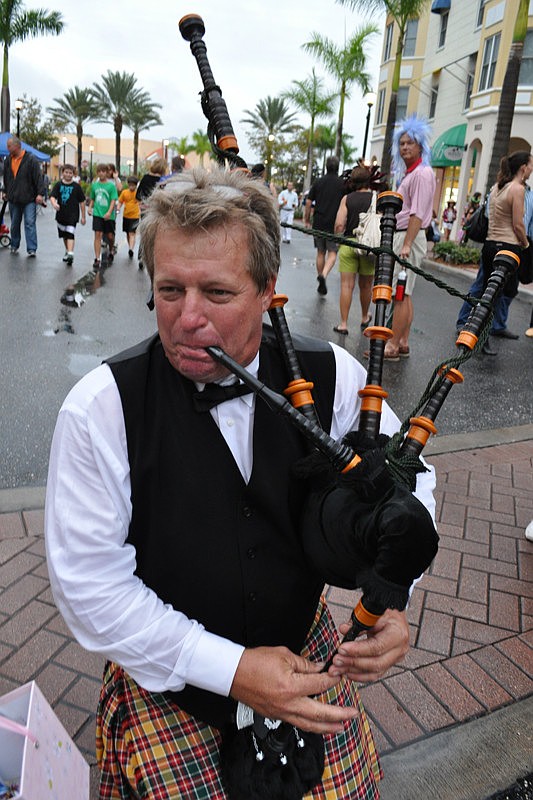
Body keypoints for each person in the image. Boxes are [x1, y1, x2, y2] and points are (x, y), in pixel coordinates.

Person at [45, 167, 437, 800]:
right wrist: (230, 670)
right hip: (170, 673)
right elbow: (90, 586)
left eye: (218, 293)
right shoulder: (100, 408)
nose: (188, 318)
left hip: (302, 647)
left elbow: (405, 488)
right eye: (170, 289)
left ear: (268, 289)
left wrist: (394, 594)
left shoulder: (331, 376)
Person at [455, 151, 533, 350]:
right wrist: (526, 245)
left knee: (486, 291)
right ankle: (482, 338)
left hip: (490, 245)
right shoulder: (517, 189)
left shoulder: (497, 187)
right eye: (531, 165)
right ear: (523, 167)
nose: (532, 169)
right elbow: (518, 224)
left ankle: (474, 331)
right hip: (507, 247)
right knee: (494, 296)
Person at [384, 116, 436, 361]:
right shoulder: (412, 173)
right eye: (402, 143)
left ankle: (393, 344)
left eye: (410, 143)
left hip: (408, 237)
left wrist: (405, 244)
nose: (405, 147)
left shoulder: (423, 174)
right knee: (406, 292)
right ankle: (402, 341)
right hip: (406, 236)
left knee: (400, 293)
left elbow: (418, 212)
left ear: (420, 146)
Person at [332, 165, 375, 335]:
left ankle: (343, 324)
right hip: (368, 246)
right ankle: (365, 317)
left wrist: (339, 234)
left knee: (346, 285)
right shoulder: (375, 198)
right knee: (366, 286)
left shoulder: (347, 199)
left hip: (349, 244)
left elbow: (339, 225)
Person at [304, 155, 346, 296]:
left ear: (327, 166)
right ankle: (324, 275)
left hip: (319, 221)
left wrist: (306, 219)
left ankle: (320, 276)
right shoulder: (342, 184)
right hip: (334, 223)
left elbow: (309, 202)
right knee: (333, 253)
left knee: (320, 252)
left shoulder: (318, 182)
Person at [2, 135, 45, 256]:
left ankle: (32, 248)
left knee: (29, 222)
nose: (8, 148)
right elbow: (7, 178)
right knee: (15, 223)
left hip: (29, 198)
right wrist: (5, 191)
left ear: (17, 146)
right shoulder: (8, 160)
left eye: (9, 146)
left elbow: (38, 178)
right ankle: (14, 245)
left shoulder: (31, 159)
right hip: (14, 198)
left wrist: (40, 194)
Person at [49, 164, 86, 265]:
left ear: (73, 175)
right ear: (63, 173)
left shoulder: (77, 187)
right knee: (64, 235)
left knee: (70, 233)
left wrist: (83, 217)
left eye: (70, 173)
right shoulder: (58, 185)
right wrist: (54, 203)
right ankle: (67, 250)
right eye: (66, 172)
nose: (68, 175)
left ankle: (70, 253)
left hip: (73, 215)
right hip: (61, 215)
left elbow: (82, 202)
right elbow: (52, 196)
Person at [135, 157, 168, 270]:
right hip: (156, 210)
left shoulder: (145, 178)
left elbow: (138, 195)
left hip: (144, 210)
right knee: (154, 235)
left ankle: (141, 256)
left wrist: (142, 204)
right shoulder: (163, 181)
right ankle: (150, 259)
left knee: (144, 233)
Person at [88, 163, 119, 268]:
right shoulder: (95, 185)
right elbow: (93, 198)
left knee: (110, 236)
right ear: (97, 173)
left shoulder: (111, 186)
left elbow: (113, 200)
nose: (101, 173)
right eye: (99, 171)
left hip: (108, 215)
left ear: (107, 173)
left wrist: (109, 212)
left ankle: (111, 249)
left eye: (103, 171)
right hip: (97, 213)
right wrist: (90, 208)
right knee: (98, 235)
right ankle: (97, 258)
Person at [117, 176, 140, 258]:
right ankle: (130, 247)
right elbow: (120, 202)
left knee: (132, 233)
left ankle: (131, 249)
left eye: (133, 185)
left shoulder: (138, 193)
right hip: (126, 215)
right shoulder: (124, 192)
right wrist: (118, 208)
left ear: (136, 185)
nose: (131, 187)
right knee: (127, 233)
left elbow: (141, 203)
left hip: (135, 216)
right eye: (130, 185)